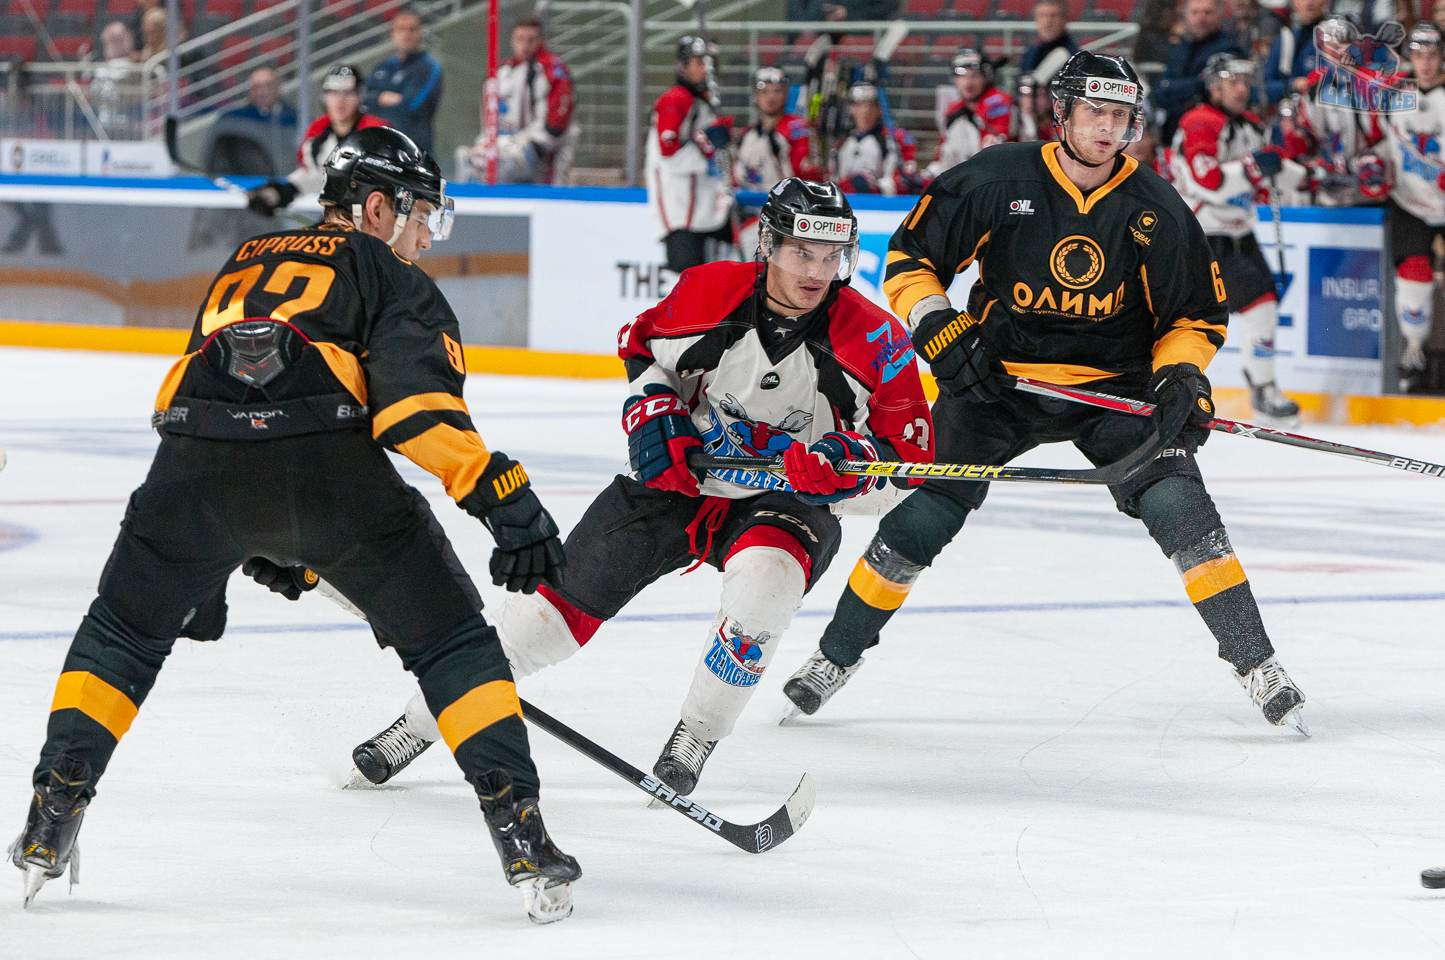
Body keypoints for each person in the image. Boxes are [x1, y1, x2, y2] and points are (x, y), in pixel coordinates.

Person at [6, 126, 582, 923]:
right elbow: (418, 415)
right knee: (452, 645)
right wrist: (508, 506)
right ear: (377, 207)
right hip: (330, 476)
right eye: (421, 215)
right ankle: (520, 833)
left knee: (121, 634)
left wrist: (243, 544)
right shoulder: (384, 270)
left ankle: (51, 812)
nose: (424, 234)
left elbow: (207, 401)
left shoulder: (245, 259)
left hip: (192, 477)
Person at [779, 52, 1310, 739]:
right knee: (920, 518)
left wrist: (1181, 373)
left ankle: (1257, 662)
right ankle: (833, 656)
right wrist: (939, 326)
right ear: (1061, 113)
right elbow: (911, 259)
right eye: (1094, 111)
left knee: (1183, 508)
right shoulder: (997, 177)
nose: (1106, 127)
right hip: (994, 381)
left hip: (1110, 391)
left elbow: (1195, 315)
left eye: (1120, 116)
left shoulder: (1154, 206)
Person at [346, 179, 933, 795]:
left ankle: (697, 734)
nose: (818, 272)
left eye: (832, 256)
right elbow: (643, 353)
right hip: (679, 485)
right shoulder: (709, 291)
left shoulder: (876, 339)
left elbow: (913, 461)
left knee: (768, 583)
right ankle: (418, 722)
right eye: (802, 254)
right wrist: (654, 412)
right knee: (541, 622)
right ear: (769, 245)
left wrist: (849, 466)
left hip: (785, 499)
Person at [1171, 53, 1305, 426]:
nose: (1242, 90)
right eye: (1234, 82)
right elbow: (1208, 183)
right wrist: (1254, 168)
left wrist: (1300, 176)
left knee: (1262, 306)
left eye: (1246, 82)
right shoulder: (1199, 121)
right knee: (1185, 323)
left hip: (1239, 235)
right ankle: (1166, 389)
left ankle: (1263, 389)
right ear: (1214, 87)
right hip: (1201, 236)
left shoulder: (1252, 126)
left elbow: (1262, 180)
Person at [1373, 23, 1445, 390]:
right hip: (1410, 201)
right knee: (1414, 274)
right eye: (1419, 55)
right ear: (1410, 57)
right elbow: (1380, 141)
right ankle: (1413, 350)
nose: (1427, 63)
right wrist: (1374, 165)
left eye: (1433, 55)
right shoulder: (1394, 96)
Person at [246, 64, 388, 218]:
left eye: (347, 93)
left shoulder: (377, 132)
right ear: (324, 97)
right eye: (333, 93)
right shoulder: (318, 132)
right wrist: (278, 193)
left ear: (360, 97)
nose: (340, 101)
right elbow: (315, 176)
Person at [646, 35, 735, 274]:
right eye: (699, 62)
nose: (707, 68)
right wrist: (708, 141)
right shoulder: (676, 99)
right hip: (681, 214)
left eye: (710, 62)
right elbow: (669, 155)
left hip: (703, 209)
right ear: (682, 66)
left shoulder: (701, 102)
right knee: (686, 284)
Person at [472, 16, 579, 185]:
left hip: (544, 149)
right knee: (475, 158)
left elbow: (558, 119)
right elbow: (490, 116)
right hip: (512, 144)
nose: (525, 45)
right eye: (520, 39)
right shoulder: (502, 71)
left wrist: (540, 142)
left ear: (541, 41)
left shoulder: (552, 67)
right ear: (512, 41)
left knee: (547, 193)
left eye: (531, 40)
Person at [733, 67, 819, 254]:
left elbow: (806, 175)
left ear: (786, 93)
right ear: (755, 95)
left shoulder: (798, 127)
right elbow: (736, 179)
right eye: (764, 91)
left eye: (777, 90)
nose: (770, 97)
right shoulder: (746, 134)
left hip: (788, 216)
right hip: (747, 214)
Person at [1153, 0, 1247, 143]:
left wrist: (1173, 87)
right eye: (1195, 12)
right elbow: (1160, 88)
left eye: (1207, 12)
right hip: (1173, 132)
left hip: (1214, 134)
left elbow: (1206, 89)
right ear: (1186, 17)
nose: (1201, 18)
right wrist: (1187, 87)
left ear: (1219, 15)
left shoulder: (1229, 49)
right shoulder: (1179, 49)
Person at [364, 8, 443, 154]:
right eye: (401, 29)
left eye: (412, 29)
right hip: (379, 148)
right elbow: (362, 101)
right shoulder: (383, 66)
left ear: (420, 32)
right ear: (393, 33)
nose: (406, 34)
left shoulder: (429, 67)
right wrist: (382, 98)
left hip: (414, 151)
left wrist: (378, 100)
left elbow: (412, 105)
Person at [929, 48, 1013, 177]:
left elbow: (996, 145)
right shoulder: (953, 109)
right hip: (965, 174)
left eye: (974, 75)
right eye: (962, 75)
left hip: (998, 172)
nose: (968, 82)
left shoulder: (998, 100)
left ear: (985, 76)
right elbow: (943, 151)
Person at [209, 67, 299, 177]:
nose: (263, 92)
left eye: (268, 85)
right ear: (249, 91)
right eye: (256, 87)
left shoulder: (297, 119)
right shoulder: (233, 121)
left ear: (278, 87)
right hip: (245, 187)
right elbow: (214, 162)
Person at [834, 83, 922, 195]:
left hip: (878, 205)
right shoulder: (842, 143)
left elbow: (905, 179)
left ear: (879, 109)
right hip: (845, 202)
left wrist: (876, 187)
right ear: (851, 109)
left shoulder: (893, 139)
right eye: (859, 105)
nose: (865, 111)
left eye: (870, 105)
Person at [1264, 0, 1329, 103]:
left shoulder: (1333, 41)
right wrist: (1293, 84)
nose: (1309, 2)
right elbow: (1265, 87)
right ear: (1294, 3)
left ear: (1326, 1)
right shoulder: (1283, 40)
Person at [1020, 0, 1080, 79]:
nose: (1047, 22)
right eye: (1042, 15)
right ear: (1036, 19)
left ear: (1065, 20)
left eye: (1053, 16)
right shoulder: (1029, 54)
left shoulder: (1075, 59)